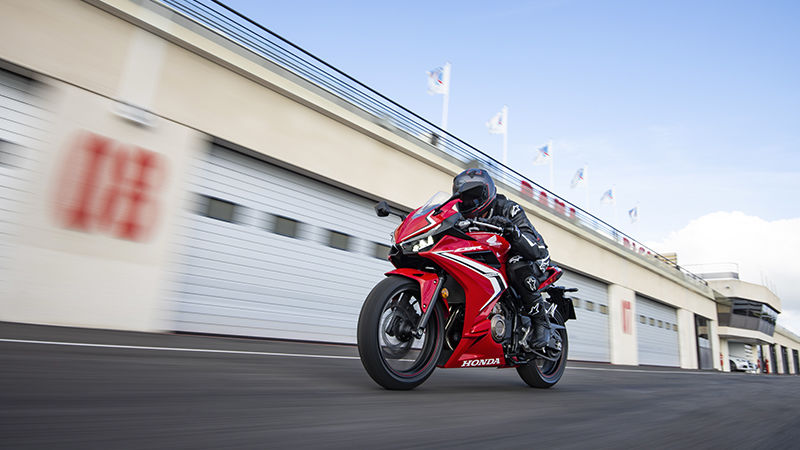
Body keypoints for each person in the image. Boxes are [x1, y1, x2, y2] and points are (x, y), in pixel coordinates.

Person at [452, 168, 553, 349]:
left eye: (474, 196)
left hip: (532, 256)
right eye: (464, 197)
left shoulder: (508, 209)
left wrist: (513, 231)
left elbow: (533, 247)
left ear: (487, 192)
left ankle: (541, 322)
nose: (469, 201)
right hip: (496, 257)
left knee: (515, 265)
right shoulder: (460, 217)